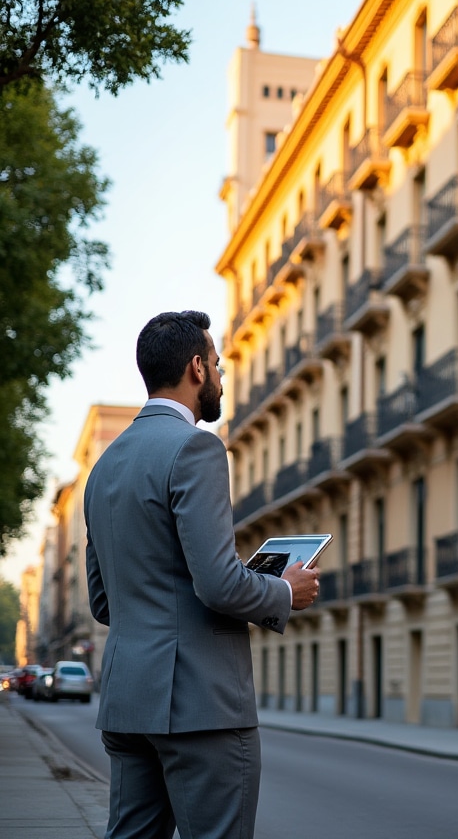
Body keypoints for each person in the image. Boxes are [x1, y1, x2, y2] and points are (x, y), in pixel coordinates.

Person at [84, 310, 320, 839]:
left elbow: (103, 602)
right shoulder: (197, 447)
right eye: (217, 364)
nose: (220, 376)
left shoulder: (104, 467)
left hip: (126, 702)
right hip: (200, 707)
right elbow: (217, 583)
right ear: (196, 368)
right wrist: (284, 590)